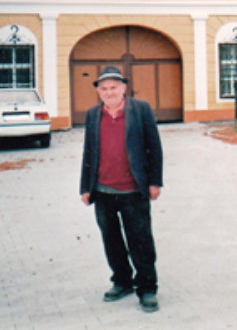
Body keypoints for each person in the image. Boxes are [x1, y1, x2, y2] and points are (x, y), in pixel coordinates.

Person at [80, 65, 164, 313]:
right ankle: (122, 281)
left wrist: (155, 182)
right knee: (112, 241)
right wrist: (85, 187)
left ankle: (147, 288)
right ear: (99, 91)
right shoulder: (93, 114)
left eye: (114, 87)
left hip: (133, 190)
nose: (109, 92)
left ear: (123, 87)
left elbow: (154, 148)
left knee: (141, 241)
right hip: (103, 190)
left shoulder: (141, 110)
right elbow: (88, 152)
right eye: (104, 88)